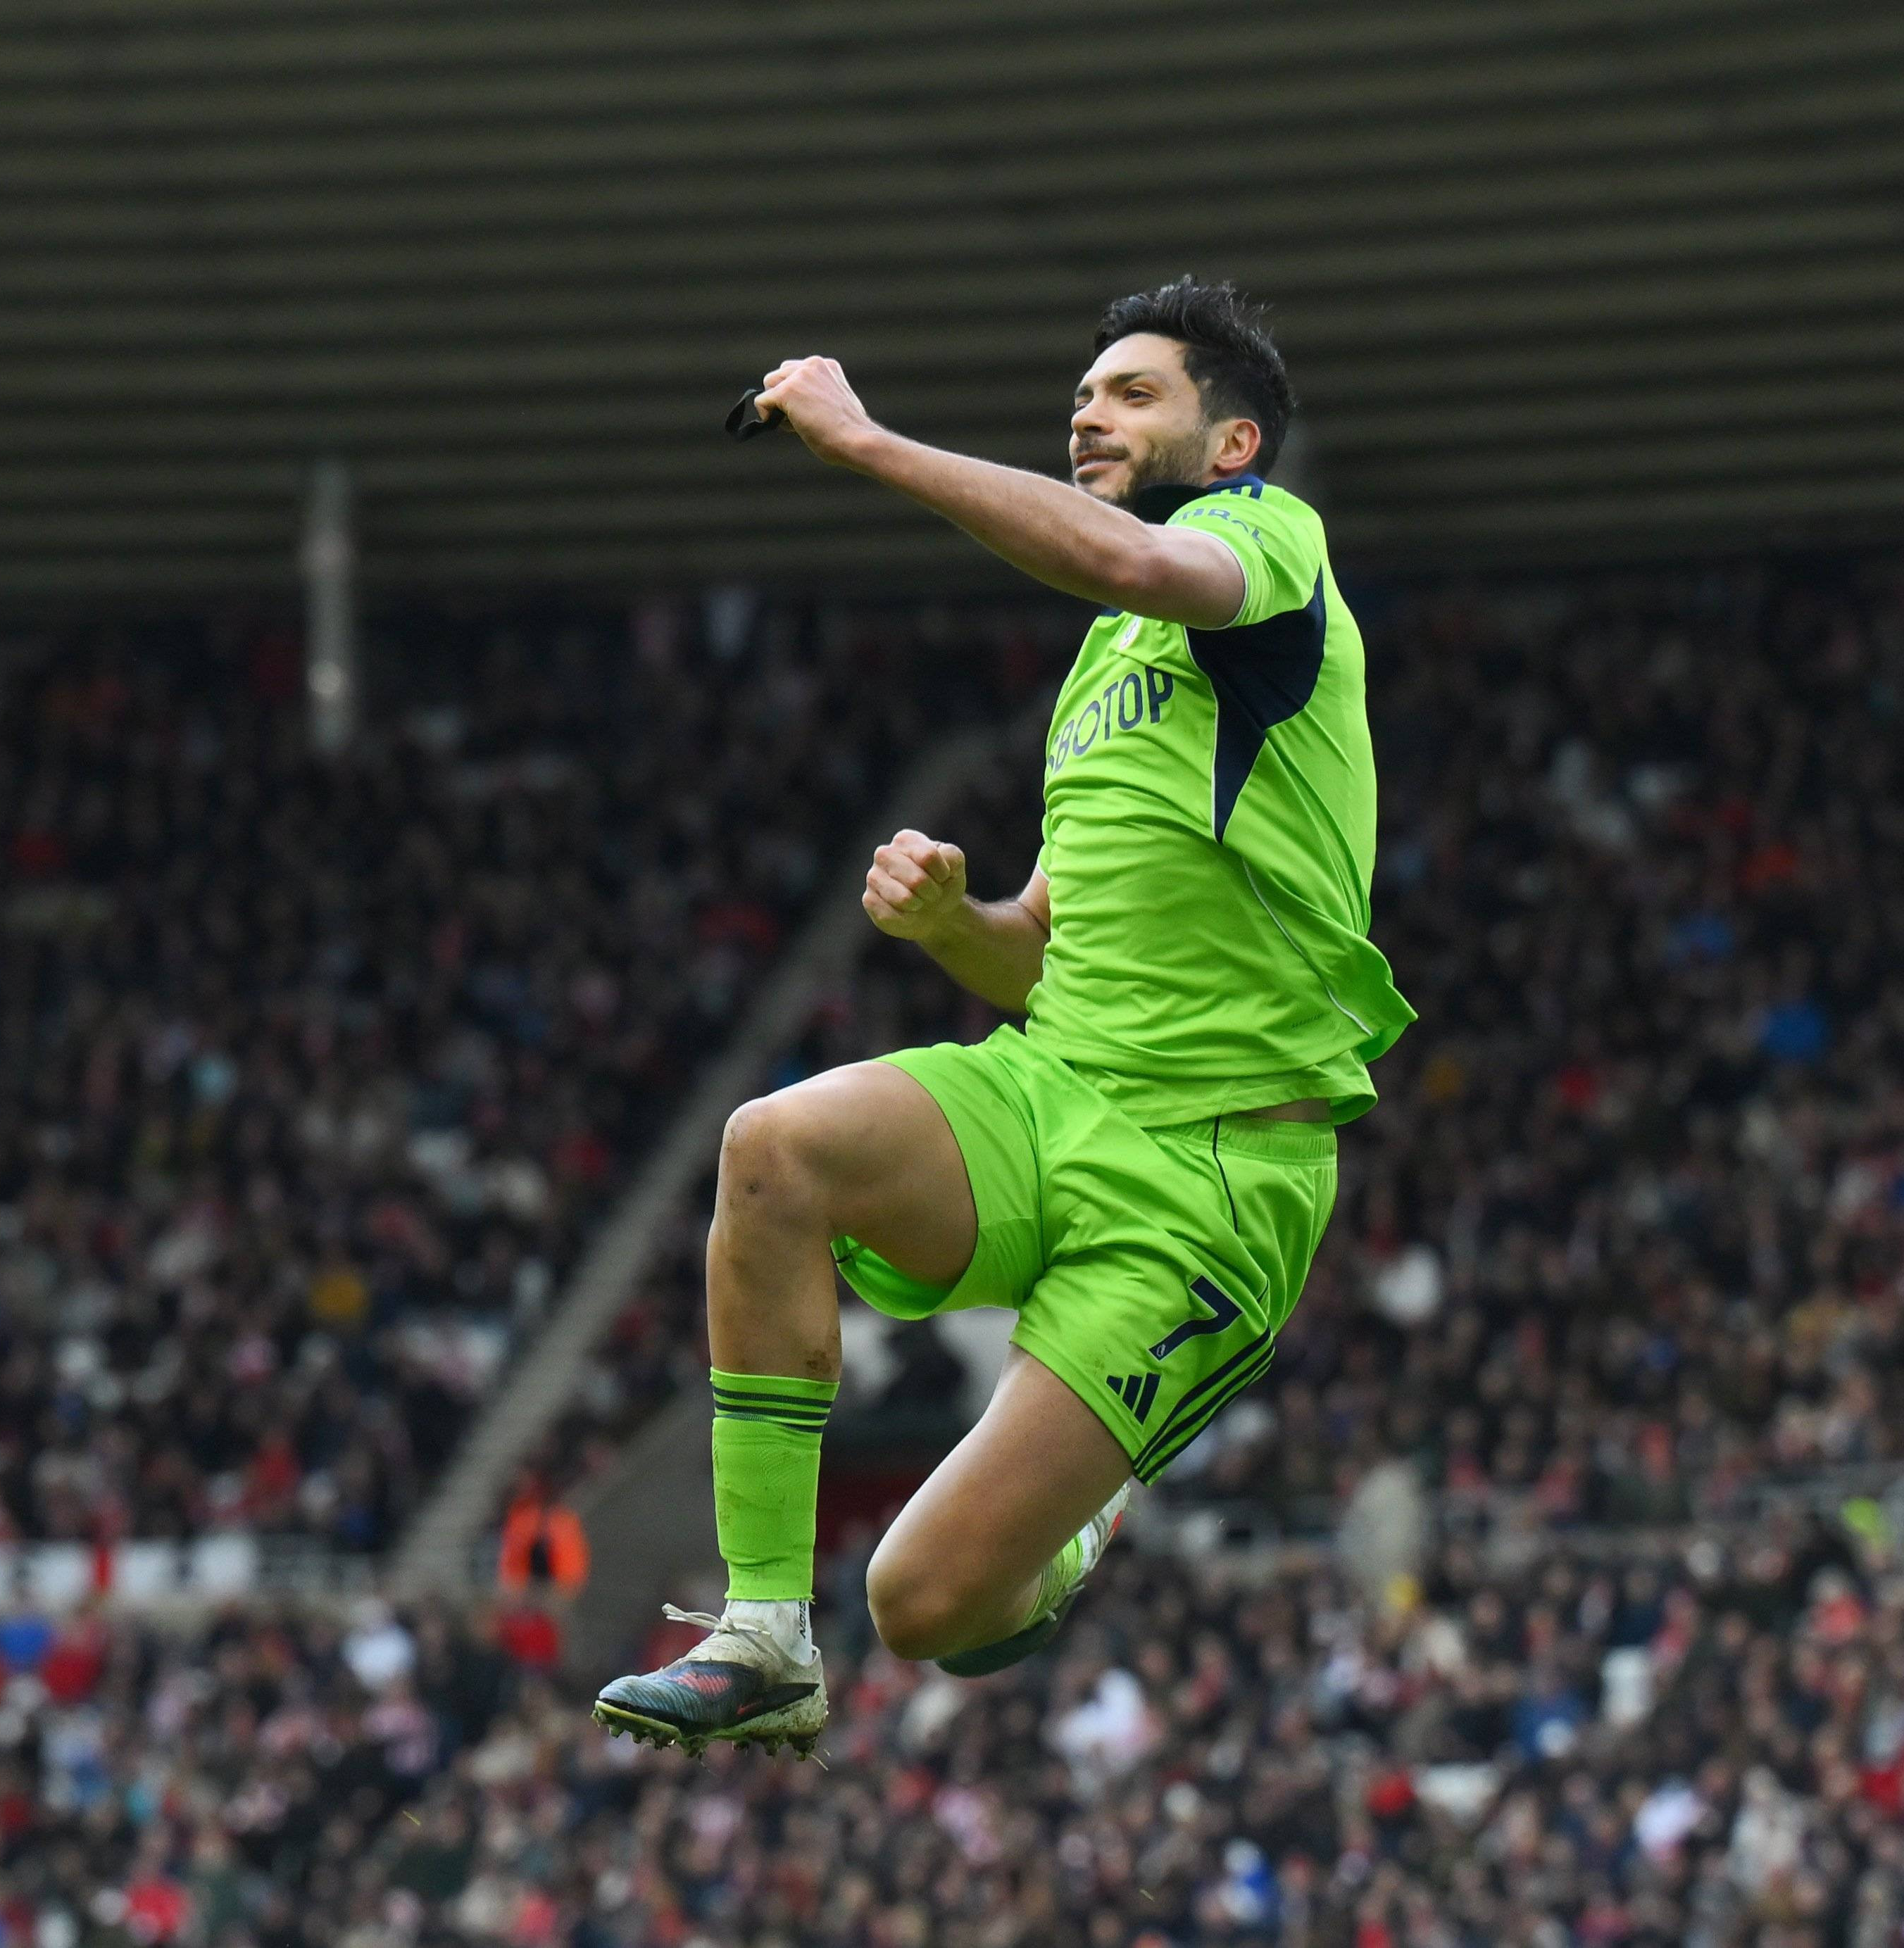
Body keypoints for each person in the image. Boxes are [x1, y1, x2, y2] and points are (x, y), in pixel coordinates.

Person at [592, 277, 1413, 1755]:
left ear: (1230, 444)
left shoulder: (1267, 541)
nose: (1090, 410)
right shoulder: (1105, 663)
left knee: (926, 1605)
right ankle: (764, 1633)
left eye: (1132, 392)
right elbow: (1041, 955)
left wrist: (867, 444)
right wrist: (946, 927)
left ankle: (1089, 1513)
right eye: (1084, 392)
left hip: (1208, 1181)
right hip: (1051, 1088)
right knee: (773, 1147)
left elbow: (1121, 555)